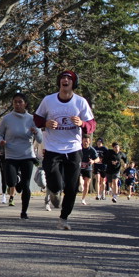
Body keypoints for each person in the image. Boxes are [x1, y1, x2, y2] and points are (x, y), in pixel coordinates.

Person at [33, 70, 96, 230]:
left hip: (73, 148)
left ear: (73, 83)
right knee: (54, 182)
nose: (65, 80)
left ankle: (63, 218)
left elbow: (92, 124)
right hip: (52, 148)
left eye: (69, 78)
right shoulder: (48, 100)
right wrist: (45, 123)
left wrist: (82, 124)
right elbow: (37, 118)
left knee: (71, 187)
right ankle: (54, 191)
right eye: (63, 78)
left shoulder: (80, 102)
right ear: (59, 82)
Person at [0, 93, 43, 219]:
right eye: (15, 102)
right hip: (11, 155)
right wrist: (1, 141)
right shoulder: (7, 119)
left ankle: (24, 211)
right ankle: (17, 181)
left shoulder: (32, 119)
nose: (17, 104)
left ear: (25, 103)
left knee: (25, 185)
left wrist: (36, 132)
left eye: (20, 102)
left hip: (27, 155)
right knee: (11, 182)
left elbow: (40, 138)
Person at [78, 135, 98, 206]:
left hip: (88, 168)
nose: (85, 142)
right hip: (79, 168)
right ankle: (81, 185)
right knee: (81, 181)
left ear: (89, 142)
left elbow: (97, 159)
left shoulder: (92, 150)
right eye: (84, 141)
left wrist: (93, 161)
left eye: (87, 141)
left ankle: (83, 199)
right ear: (82, 141)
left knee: (87, 184)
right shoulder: (79, 148)